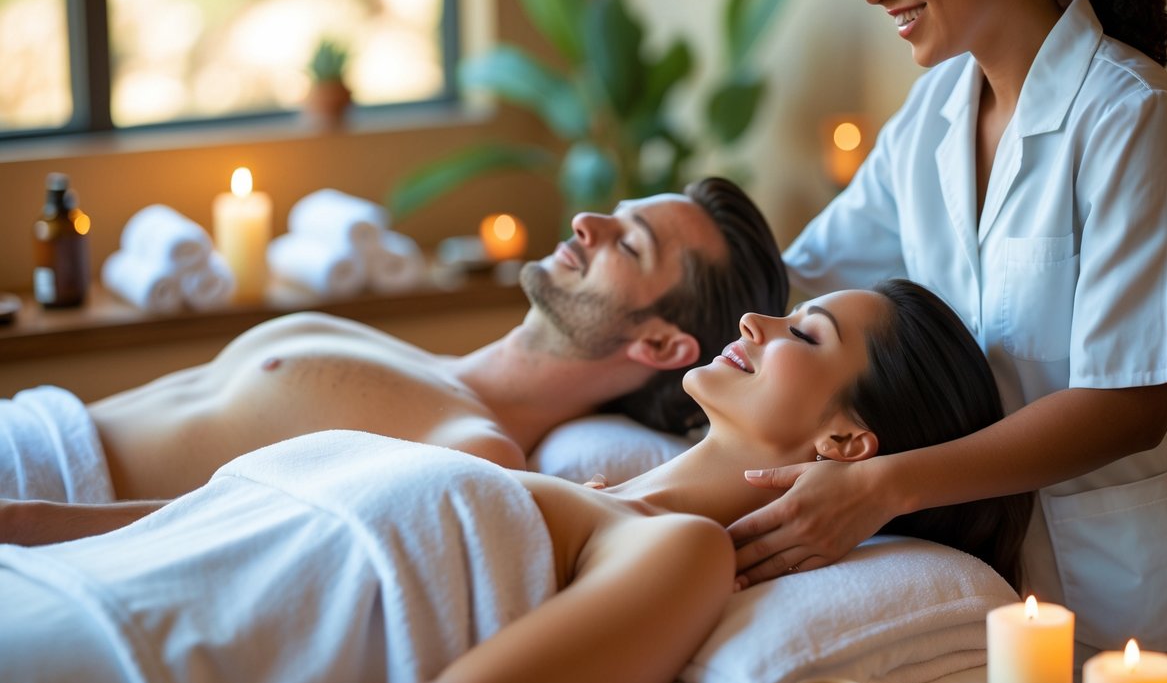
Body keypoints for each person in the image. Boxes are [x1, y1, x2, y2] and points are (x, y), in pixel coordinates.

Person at [0, 280, 1033, 683]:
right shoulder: (582, 484)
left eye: (803, 333)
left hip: (106, 658)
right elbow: (213, 515)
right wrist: (26, 524)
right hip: (51, 582)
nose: (757, 320)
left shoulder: (673, 552)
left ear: (844, 446)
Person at [727, 0, 1167, 683]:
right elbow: (805, 273)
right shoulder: (934, 114)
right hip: (984, 577)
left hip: (1125, 587)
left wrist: (881, 487)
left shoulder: (1131, 115)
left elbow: (1132, 401)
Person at [0, 177, 788, 511]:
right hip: (28, 427)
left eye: (631, 243)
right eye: (613, 212)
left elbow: (219, 536)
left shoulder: (470, 451)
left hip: (43, 500)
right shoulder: (427, 366)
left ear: (658, 345)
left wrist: (26, 529)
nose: (588, 222)